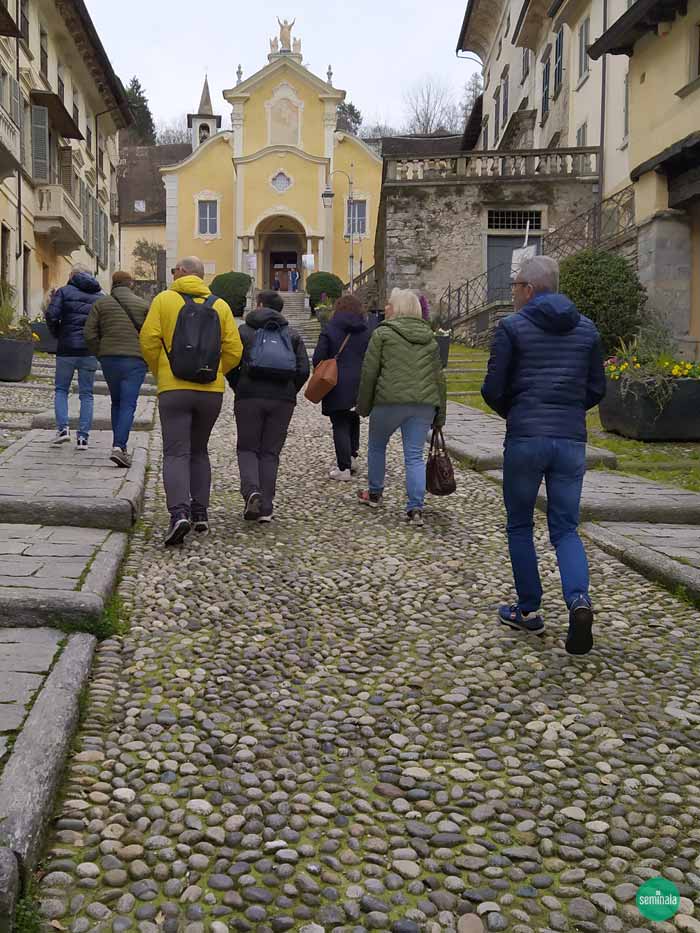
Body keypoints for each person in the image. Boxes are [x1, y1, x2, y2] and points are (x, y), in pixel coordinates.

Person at [481, 255, 606, 656]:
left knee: (519, 524)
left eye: (516, 285)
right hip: (570, 440)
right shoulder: (587, 329)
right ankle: (579, 600)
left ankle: (529, 608)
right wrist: (568, 410)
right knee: (566, 528)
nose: (514, 291)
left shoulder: (512, 327)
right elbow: (596, 388)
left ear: (529, 289)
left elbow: (492, 388)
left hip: (526, 438)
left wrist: (517, 413)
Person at [140, 256, 242, 546]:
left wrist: (160, 369)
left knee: (175, 452)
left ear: (182, 272)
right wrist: (215, 371)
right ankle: (200, 512)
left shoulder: (164, 300)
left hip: (174, 388)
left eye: (175, 271)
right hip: (210, 391)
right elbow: (234, 350)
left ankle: (178, 513)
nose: (173, 274)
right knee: (199, 450)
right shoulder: (220, 306)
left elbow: (148, 339)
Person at [356, 287, 446, 526]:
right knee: (414, 456)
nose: (385, 307)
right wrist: (440, 416)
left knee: (377, 446)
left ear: (397, 309)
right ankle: (415, 508)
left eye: (390, 304)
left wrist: (363, 406)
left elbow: (369, 373)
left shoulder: (382, 334)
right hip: (423, 404)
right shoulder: (430, 338)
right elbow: (439, 379)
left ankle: (375, 493)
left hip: (389, 401)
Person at [227, 289, 309, 523]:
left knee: (247, 448)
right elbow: (303, 369)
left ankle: (251, 491)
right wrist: (289, 391)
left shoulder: (244, 331)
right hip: (282, 399)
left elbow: (230, 362)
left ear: (259, 305)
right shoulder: (292, 334)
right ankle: (266, 507)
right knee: (270, 453)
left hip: (249, 396)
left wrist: (238, 385)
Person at [84, 271, 149, 468]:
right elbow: (151, 334)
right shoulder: (143, 304)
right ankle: (119, 446)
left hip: (109, 359)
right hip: (135, 360)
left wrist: (100, 352)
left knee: (116, 402)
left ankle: (119, 446)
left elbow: (89, 333)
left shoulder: (101, 304)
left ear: (113, 283)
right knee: (129, 404)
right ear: (131, 284)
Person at [312, 294, 370, 481]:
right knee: (354, 418)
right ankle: (352, 457)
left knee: (340, 423)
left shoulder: (330, 329)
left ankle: (343, 467)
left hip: (336, 381)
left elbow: (318, 358)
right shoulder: (366, 330)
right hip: (360, 381)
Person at [45, 264, 104, 449]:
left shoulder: (63, 292)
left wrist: (58, 334)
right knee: (86, 394)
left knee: (61, 390)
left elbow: (51, 315)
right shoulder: (100, 297)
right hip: (89, 351)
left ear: (71, 275)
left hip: (66, 349)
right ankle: (83, 438)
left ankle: (63, 429)